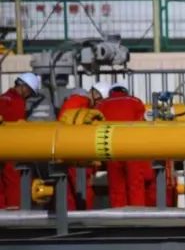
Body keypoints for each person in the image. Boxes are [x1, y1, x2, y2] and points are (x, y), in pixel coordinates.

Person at [93, 80, 152, 208]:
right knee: (135, 185)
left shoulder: (102, 104)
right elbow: (143, 122)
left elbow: (96, 123)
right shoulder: (135, 101)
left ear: (111, 92)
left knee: (116, 187)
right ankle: (138, 213)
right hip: (133, 149)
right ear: (125, 91)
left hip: (111, 149)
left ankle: (118, 214)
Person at [0, 73, 41, 208]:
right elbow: (18, 127)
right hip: (11, 147)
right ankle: (14, 211)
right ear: (24, 87)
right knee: (14, 181)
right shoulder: (17, 103)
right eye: (29, 92)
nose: (28, 96)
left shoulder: (3, 97)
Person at [58, 88, 95, 210]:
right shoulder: (84, 103)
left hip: (64, 149)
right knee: (85, 185)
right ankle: (86, 214)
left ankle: (70, 213)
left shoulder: (66, 105)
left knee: (68, 187)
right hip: (81, 151)